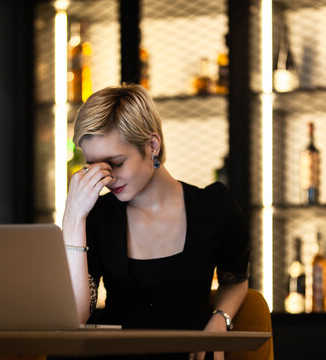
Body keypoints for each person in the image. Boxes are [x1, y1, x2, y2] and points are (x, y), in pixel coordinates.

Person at [62, 84, 250, 360]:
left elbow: (235, 279)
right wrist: (73, 218)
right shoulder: (98, 218)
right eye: (94, 167)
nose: (107, 178)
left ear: (152, 145)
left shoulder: (214, 208)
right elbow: (76, 317)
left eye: (115, 162)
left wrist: (220, 320)